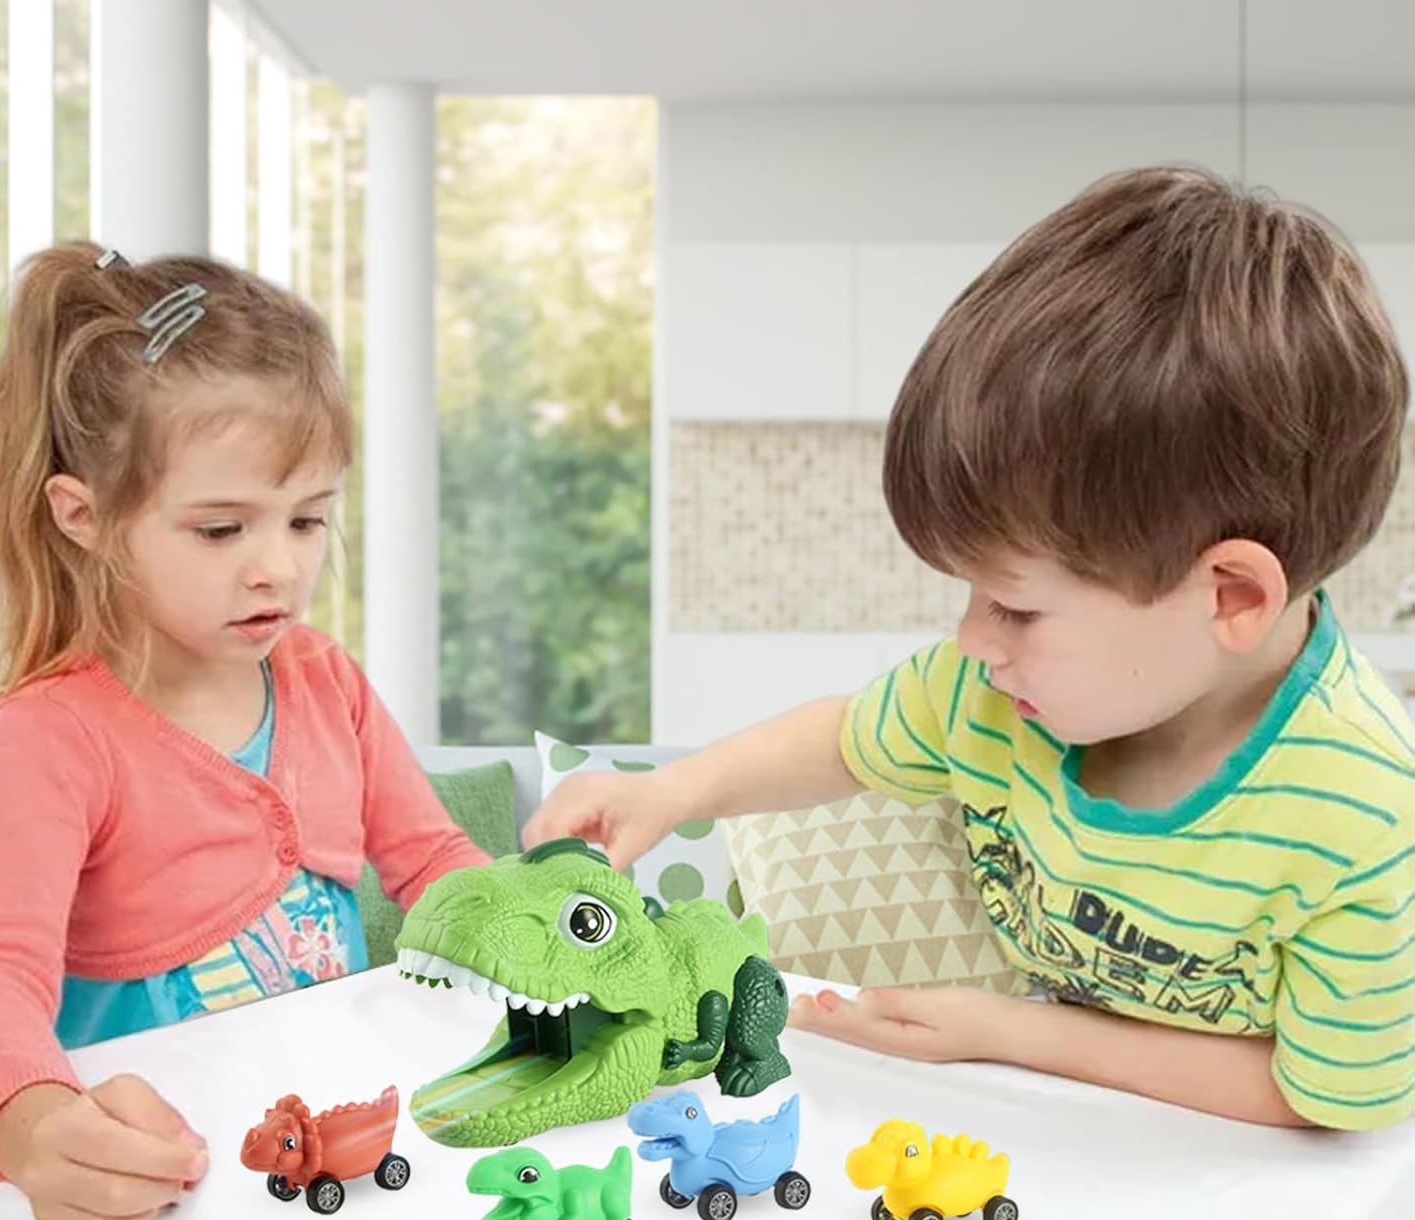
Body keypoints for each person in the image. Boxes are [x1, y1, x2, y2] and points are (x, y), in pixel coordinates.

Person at [525, 166, 1414, 1132]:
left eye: (1017, 607)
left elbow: (1329, 1097)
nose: (972, 639)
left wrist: (1012, 1032)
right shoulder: (990, 694)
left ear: (1231, 594)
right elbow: (847, 740)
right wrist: (673, 792)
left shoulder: (1364, 819)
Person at [0, 244, 486, 1220]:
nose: (279, 568)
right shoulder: (52, 736)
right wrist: (35, 1130)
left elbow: (438, 865)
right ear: (86, 518)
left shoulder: (326, 681)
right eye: (222, 530)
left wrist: (554, 941)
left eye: (307, 520)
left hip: (324, 1177)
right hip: (162, 1212)